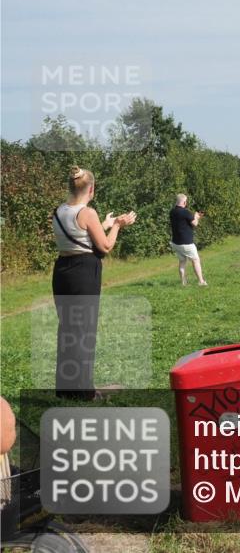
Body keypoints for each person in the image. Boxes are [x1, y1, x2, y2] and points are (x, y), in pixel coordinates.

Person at [52, 166, 136, 401]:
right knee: (83, 332)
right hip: (83, 274)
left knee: (67, 330)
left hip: (62, 272)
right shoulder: (88, 213)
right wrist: (118, 224)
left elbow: (79, 236)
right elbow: (105, 247)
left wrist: (105, 224)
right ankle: (86, 392)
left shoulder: (59, 211)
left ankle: (66, 390)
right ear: (92, 189)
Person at [170, 194, 206, 286]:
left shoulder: (172, 211)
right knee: (195, 260)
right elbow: (195, 224)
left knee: (182, 261)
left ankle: (183, 282)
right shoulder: (186, 212)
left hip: (176, 242)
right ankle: (201, 282)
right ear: (185, 202)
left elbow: (183, 222)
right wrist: (197, 217)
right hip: (186, 243)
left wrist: (194, 216)